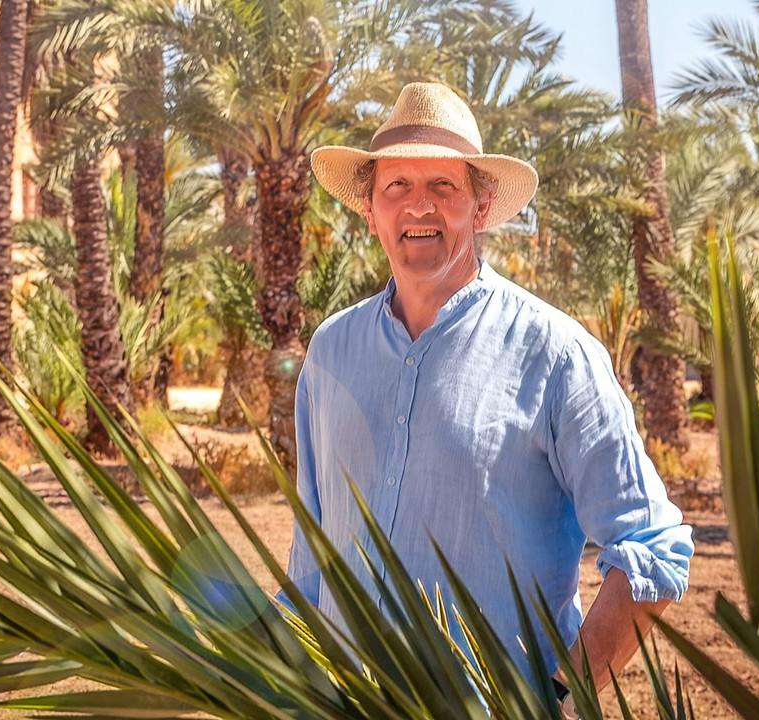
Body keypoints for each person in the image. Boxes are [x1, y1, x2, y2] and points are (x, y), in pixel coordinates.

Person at [282, 81, 693, 717]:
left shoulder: (557, 356)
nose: (419, 207)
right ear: (370, 210)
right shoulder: (331, 351)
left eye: (442, 186)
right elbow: (312, 554)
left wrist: (555, 693)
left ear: (480, 205)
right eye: (398, 186)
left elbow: (655, 549)